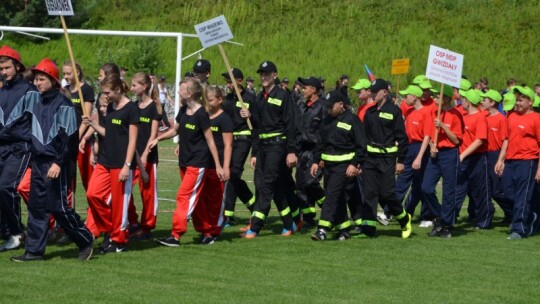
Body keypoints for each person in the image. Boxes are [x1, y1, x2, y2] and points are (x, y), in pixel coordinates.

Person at [11, 58, 93, 262]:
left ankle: (85, 239)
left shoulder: (63, 104)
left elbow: (69, 138)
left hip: (56, 163)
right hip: (38, 162)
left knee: (59, 208)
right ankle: (34, 251)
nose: (37, 83)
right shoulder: (37, 102)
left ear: (53, 81)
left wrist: (58, 162)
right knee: (37, 208)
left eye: (41, 79)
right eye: (36, 80)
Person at [151, 77, 225, 247]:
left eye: (181, 89)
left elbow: (211, 141)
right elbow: (175, 130)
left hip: (198, 163)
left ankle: (176, 235)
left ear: (190, 93)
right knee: (195, 199)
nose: (178, 92)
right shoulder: (183, 110)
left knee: (184, 196)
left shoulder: (201, 114)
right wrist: (158, 138)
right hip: (184, 161)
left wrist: (219, 166)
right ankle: (207, 231)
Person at [241, 61, 298, 238]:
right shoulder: (259, 97)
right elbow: (256, 127)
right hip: (263, 147)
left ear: (275, 75)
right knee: (266, 185)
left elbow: (291, 125)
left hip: (278, 146)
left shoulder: (283, 95)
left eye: (267, 73)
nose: (263, 76)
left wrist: (291, 151)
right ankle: (289, 224)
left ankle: (255, 226)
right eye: (261, 74)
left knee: (266, 184)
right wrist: (254, 152)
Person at [84, 74, 139, 253]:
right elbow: (109, 133)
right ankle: (110, 230)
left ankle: (119, 240)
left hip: (120, 163)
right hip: (105, 160)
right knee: (93, 194)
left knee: (119, 204)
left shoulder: (131, 108)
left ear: (117, 89)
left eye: (107, 92)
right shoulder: (111, 108)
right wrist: (92, 123)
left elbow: (132, 140)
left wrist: (127, 165)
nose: (105, 96)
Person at [310, 90, 366, 241]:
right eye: (326, 106)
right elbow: (320, 143)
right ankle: (344, 229)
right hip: (328, 166)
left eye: (331, 106)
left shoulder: (352, 120)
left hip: (344, 166)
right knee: (338, 197)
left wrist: (354, 164)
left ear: (341, 104)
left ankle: (322, 229)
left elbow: (361, 145)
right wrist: (316, 161)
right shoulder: (327, 120)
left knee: (331, 196)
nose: (328, 109)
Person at [360, 78, 412, 238]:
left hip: (387, 159)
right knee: (369, 193)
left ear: (385, 92)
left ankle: (404, 218)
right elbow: (364, 137)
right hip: (370, 159)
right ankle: (368, 229)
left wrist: (401, 161)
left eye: (375, 91)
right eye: (371, 91)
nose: (373, 94)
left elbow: (402, 138)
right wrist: (360, 160)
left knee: (386, 194)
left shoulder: (394, 111)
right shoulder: (369, 112)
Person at [0, 45, 37, 252]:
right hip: (2, 146)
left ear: (17, 66)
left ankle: (16, 232)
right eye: (1, 69)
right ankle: (8, 231)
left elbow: (38, 120)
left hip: (21, 147)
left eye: (7, 68)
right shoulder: (2, 91)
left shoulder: (29, 91)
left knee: (6, 187)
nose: (3, 72)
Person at [496, 86, 540, 240]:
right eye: (517, 100)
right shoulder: (512, 117)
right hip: (510, 161)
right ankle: (530, 215)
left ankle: (519, 229)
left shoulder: (536, 118)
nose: (518, 103)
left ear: (530, 102)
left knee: (522, 196)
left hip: (527, 162)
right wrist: (500, 160)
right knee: (507, 192)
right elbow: (507, 139)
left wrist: (539, 169)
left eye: (521, 100)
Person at [422, 85, 464, 238]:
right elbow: (429, 133)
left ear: (446, 99)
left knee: (449, 190)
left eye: (437, 96)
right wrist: (432, 146)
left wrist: (444, 127)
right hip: (436, 153)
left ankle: (447, 225)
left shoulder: (455, 115)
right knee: (426, 187)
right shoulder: (433, 112)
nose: (434, 99)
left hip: (450, 153)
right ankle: (440, 216)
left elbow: (456, 140)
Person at [127, 72, 162, 240]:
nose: (132, 88)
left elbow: (153, 135)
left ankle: (147, 227)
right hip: (133, 157)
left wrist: (145, 155)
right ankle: (132, 222)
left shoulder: (153, 107)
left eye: (134, 85)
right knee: (125, 189)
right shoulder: (133, 106)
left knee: (147, 194)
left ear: (144, 86)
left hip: (147, 157)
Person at [395, 85, 435, 228]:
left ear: (415, 97)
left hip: (420, 149)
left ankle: (425, 214)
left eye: (408, 96)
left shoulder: (426, 112)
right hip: (409, 147)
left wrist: (419, 157)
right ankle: (392, 210)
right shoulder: (410, 112)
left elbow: (427, 136)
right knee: (402, 178)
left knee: (420, 184)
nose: (405, 98)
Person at [221, 68, 256, 226]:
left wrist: (250, 115)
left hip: (243, 139)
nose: (228, 84)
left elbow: (258, 121)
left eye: (231, 81)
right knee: (230, 177)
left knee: (233, 174)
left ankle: (231, 214)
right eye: (227, 81)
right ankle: (234, 212)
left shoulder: (250, 98)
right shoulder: (227, 99)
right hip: (229, 140)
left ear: (240, 81)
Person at [197, 85, 233, 244]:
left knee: (216, 199)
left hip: (217, 165)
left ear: (220, 100)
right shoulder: (204, 116)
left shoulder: (224, 119)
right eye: (207, 100)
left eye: (211, 100)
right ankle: (207, 229)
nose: (208, 103)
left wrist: (225, 167)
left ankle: (216, 229)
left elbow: (228, 145)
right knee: (203, 198)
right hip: (203, 162)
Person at [454, 89, 493, 229]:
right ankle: (450, 217)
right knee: (458, 189)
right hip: (463, 158)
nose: (460, 101)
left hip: (477, 158)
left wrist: (463, 154)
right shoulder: (463, 116)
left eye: (463, 99)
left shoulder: (480, 117)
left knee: (480, 191)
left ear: (468, 102)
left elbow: (479, 140)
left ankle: (484, 221)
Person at [295, 76, 326, 227]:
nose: (302, 89)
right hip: (302, 151)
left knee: (311, 182)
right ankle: (308, 217)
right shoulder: (301, 105)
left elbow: (326, 133)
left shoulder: (323, 107)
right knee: (300, 186)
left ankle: (329, 209)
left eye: (305, 87)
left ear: (314, 89)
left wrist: (320, 157)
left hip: (316, 151)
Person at [480, 89, 513, 223]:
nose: (482, 102)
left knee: (497, 191)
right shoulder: (484, 116)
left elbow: (506, 140)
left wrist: (501, 160)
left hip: (496, 154)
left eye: (485, 100)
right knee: (487, 189)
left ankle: (513, 212)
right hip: (485, 155)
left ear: (492, 102)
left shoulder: (501, 119)